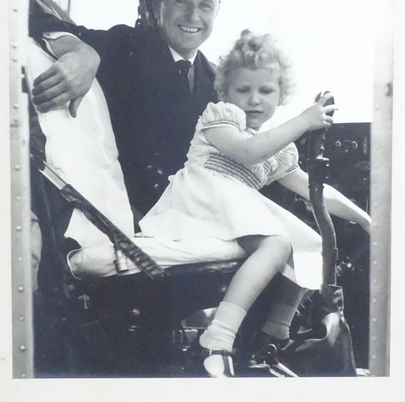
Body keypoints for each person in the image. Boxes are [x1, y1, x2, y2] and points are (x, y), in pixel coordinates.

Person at [137, 30, 372, 377]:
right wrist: (305, 121)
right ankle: (217, 338)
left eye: (265, 91)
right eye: (243, 90)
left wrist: (366, 219)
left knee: (311, 243)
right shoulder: (220, 117)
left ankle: (274, 334)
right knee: (276, 243)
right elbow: (249, 153)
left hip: (234, 207)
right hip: (201, 201)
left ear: (280, 94)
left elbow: (313, 188)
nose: (254, 100)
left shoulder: (274, 143)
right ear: (226, 93)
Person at [29, 0, 239, 216]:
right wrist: (80, 50)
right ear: (157, 5)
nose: (193, 16)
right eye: (181, 2)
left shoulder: (217, 83)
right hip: (126, 225)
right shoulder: (122, 47)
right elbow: (36, 20)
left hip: (194, 221)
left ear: (217, 12)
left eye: (205, 6)